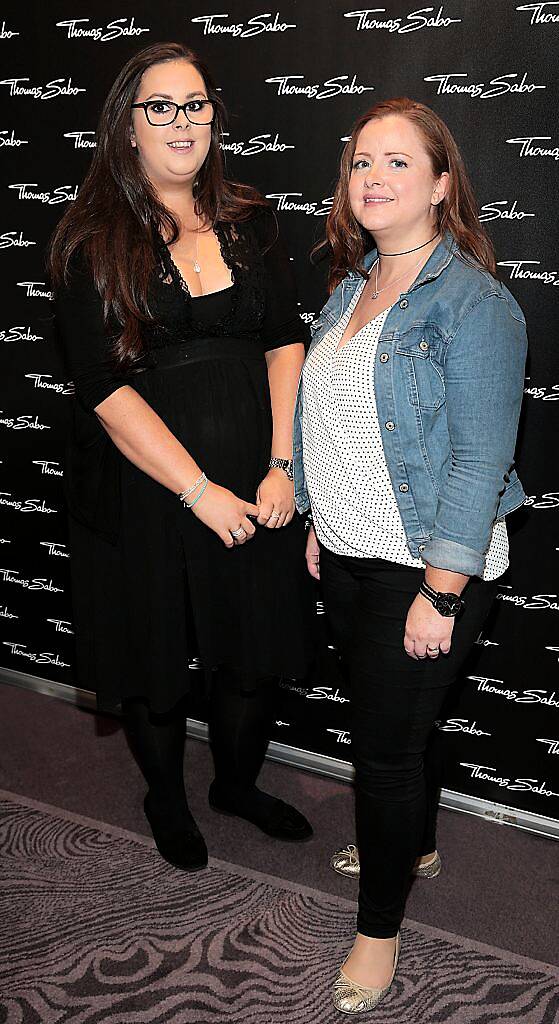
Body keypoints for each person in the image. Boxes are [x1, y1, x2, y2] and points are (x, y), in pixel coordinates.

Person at [50, 41, 315, 873]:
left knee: (253, 649)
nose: (182, 121)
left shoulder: (250, 217)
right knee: (153, 660)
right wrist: (198, 491)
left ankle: (235, 783)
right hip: (145, 488)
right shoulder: (92, 239)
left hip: (256, 477)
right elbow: (104, 388)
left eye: (195, 104)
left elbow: (283, 344)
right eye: (160, 106)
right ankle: (165, 795)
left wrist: (282, 464)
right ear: (126, 127)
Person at [292, 97, 527, 1012]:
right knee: (398, 734)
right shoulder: (349, 287)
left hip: (427, 570)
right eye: (360, 163)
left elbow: (478, 458)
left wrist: (440, 589)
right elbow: (339, 424)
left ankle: (377, 934)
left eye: (396, 163)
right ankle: (416, 842)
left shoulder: (475, 302)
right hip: (348, 554)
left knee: (383, 758)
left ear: (439, 185)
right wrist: (319, 516)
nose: (373, 179)